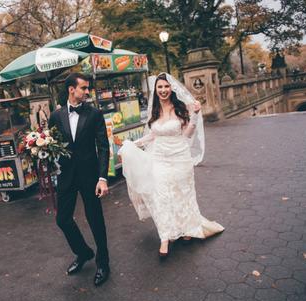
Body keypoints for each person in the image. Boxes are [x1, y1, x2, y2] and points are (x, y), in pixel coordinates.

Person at [118, 73, 224, 260]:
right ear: (156, 90)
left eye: (166, 87)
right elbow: (152, 136)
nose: (163, 90)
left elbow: (188, 134)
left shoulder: (181, 107)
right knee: (162, 197)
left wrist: (195, 116)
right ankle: (165, 237)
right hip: (159, 158)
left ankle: (187, 228)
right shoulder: (154, 111)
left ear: (171, 88)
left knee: (183, 195)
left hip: (180, 157)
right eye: (160, 87)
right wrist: (132, 145)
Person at [48, 73, 110, 286]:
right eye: (83, 88)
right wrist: (41, 153)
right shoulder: (56, 116)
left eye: (87, 88)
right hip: (66, 176)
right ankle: (83, 252)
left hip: (90, 176)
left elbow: (103, 147)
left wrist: (102, 178)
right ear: (71, 90)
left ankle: (103, 263)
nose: (87, 91)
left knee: (95, 220)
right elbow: (51, 144)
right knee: (62, 219)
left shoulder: (94, 114)